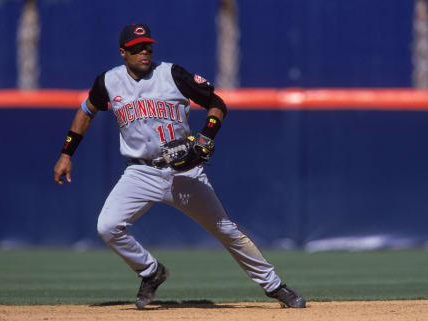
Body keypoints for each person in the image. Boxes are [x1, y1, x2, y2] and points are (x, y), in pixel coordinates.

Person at [53, 23, 306, 309]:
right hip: (140, 171)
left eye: (148, 46)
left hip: (183, 170)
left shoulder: (172, 74)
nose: (144, 51)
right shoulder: (108, 82)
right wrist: (66, 154)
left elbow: (216, 102)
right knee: (108, 227)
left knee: (226, 230)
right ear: (123, 52)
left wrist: (206, 136)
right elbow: (86, 111)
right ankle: (151, 271)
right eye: (137, 48)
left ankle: (275, 286)